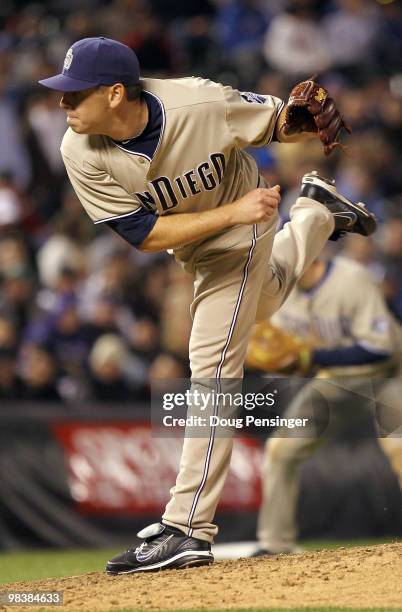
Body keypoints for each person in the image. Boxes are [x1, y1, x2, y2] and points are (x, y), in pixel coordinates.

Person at [39, 36, 376, 574]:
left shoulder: (199, 102)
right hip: (205, 238)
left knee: (212, 366)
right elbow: (144, 234)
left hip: (243, 233)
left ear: (116, 93)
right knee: (263, 303)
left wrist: (295, 121)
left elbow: (275, 123)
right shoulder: (78, 151)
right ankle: (315, 213)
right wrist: (233, 212)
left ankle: (187, 527)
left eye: (75, 94)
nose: (63, 104)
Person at [251, 256, 402, 556]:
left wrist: (312, 358)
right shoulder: (281, 293)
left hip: (387, 376)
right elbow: (288, 354)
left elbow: (380, 347)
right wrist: (289, 363)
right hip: (334, 381)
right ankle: (274, 544)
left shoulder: (351, 278)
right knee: (281, 450)